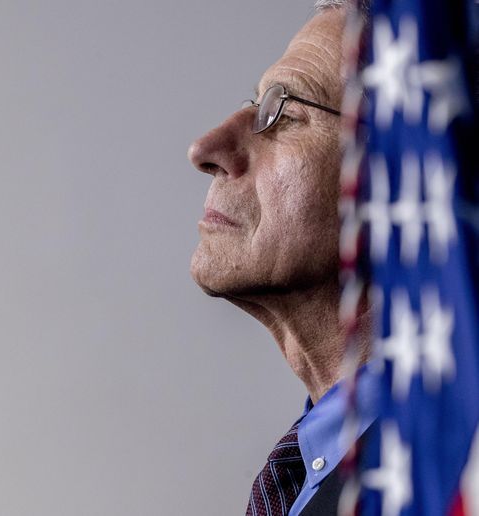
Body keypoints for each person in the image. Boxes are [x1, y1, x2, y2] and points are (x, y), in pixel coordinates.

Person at [188, 1, 376, 515]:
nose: (205, 148)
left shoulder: (446, 479)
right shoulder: (312, 473)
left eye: (282, 114)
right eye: (255, 103)